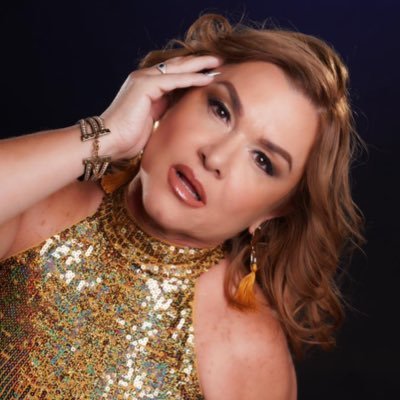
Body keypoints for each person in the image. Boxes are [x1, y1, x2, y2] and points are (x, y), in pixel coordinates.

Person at [0, 13, 364, 400]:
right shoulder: (39, 201)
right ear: (173, 95)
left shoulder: (249, 357)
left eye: (262, 161)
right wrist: (105, 135)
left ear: (276, 209)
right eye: (221, 110)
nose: (215, 157)